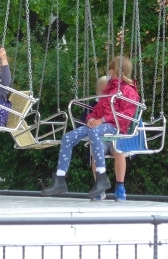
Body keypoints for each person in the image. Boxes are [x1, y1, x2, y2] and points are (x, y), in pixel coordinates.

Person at [43, 56, 139, 199]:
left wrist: (103, 120)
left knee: (95, 134)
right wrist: (91, 119)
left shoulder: (128, 91)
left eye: (109, 71)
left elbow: (126, 115)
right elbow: (97, 109)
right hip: (100, 125)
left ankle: (102, 178)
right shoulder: (109, 90)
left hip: (115, 127)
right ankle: (60, 179)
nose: (108, 73)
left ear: (112, 71)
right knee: (68, 137)